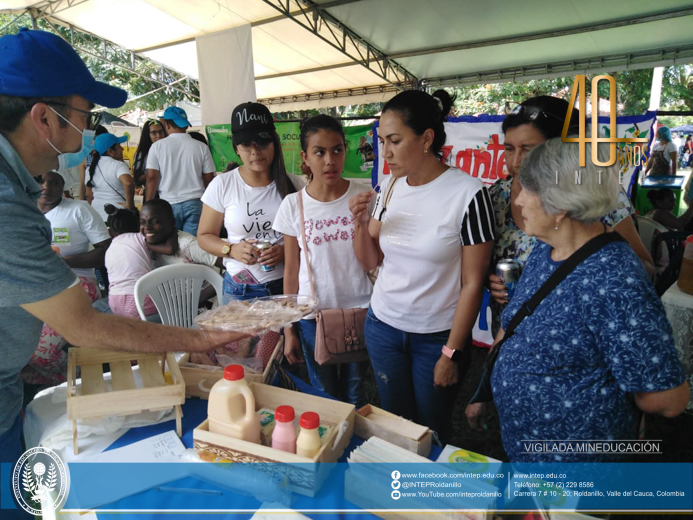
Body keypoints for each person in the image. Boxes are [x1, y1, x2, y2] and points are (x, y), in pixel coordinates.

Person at [0, 29, 245, 481]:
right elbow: (84, 325)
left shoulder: (17, 184)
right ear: (43, 118)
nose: (90, 125)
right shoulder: (5, 204)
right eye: (84, 112)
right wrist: (200, 338)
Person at [485, 138, 688, 462]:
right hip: (528, 454)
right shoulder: (546, 249)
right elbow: (517, 321)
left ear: (560, 205)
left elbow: (667, 399)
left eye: (527, 190)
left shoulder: (614, 278)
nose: (518, 200)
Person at [349, 90, 495, 443]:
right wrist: (358, 222)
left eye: (395, 141)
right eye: (383, 141)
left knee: (432, 428)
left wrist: (451, 352)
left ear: (427, 138)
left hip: (436, 337)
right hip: (383, 325)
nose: (386, 152)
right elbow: (371, 259)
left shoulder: (468, 194)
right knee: (395, 423)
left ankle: (430, 494)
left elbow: (473, 284)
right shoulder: (389, 187)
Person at [487, 96, 655, 315]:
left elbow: (646, 270)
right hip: (511, 333)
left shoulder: (596, 195)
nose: (516, 161)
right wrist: (492, 282)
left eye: (528, 149)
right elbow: (480, 265)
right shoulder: (497, 196)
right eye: (509, 149)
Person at [274, 115, 372, 407]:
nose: (330, 160)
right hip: (311, 316)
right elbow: (291, 270)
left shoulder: (365, 197)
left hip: (361, 308)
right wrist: (288, 327)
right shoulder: (294, 205)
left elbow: (375, 257)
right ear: (305, 157)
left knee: (356, 391)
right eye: (320, 152)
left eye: (337, 150)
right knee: (324, 393)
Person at [198, 102, 301, 302]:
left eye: (262, 142)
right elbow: (204, 237)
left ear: (274, 142)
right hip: (240, 289)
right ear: (237, 149)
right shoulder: (222, 184)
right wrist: (231, 249)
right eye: (246, 145)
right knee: (241, 336)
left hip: (286, 285)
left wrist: (285, 251)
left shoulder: (294, 184)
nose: (255, 151)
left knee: (284, 335)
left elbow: (308, 234)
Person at [22, 170, 111, 389]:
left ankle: (72, 382)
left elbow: (105, 251)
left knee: (39, 354)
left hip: (77, 284)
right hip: (34, 287)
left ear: (63, 188)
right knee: (15, 349)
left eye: (54, 183)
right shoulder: (24, 212)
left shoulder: (79, 210)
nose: (46, 186)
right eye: (41, 181)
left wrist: (65, 262)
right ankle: (43, 388)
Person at [145, 106, 215, 236]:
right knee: (192, 249)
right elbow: (209, 179)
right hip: (196, 204)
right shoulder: (201, 147)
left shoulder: (157, 147)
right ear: (186, 125)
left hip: (168, 206)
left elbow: (151, 178)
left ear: (166, 123)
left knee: (171, 247)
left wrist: (147, 206)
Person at [140, 198, 221, 269]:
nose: (147, 227)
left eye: (155, 222)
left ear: (172, 222)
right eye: (142, 222)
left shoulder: (187, 245)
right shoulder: (140, 244)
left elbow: (227, 263)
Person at [86, 132, 134, 221]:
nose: (122, 149)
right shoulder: (118, 165)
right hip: (118, 216)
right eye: (119, 146)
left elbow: (89, 195)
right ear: (110, 151)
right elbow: (128, 183)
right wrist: (129, 204)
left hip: (97, 215)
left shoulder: (90, 168)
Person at [133, 119, 166, 189]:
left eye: (161, 132)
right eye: (154, 133)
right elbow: (137, 179)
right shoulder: (142, 153)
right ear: (147, 135)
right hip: (152, 192)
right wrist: (153, 172)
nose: (158, 135)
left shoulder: (170, 149)